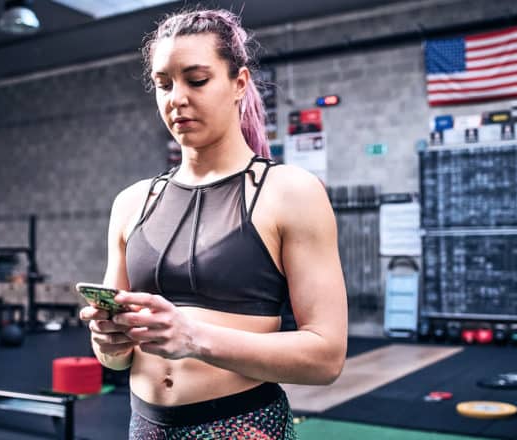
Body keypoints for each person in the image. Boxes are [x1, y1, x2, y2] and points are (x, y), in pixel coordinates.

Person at [79, 8, 347, 439]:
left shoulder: (290, 192)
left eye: (196, 80)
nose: (176, 98)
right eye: (164, 84)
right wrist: (109, 342)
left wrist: (192, 337)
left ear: (239, 83)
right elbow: (115, 357)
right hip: (145, 426)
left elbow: (326, 357)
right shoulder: (131, 203)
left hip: (242, 426)